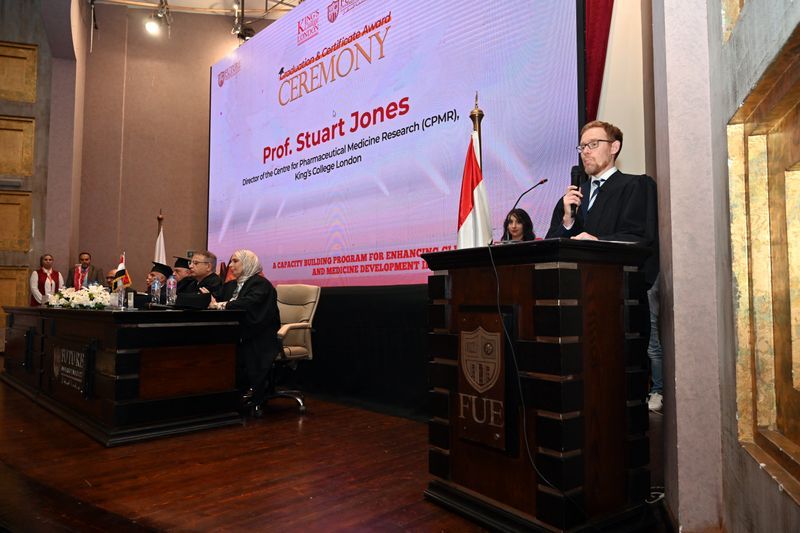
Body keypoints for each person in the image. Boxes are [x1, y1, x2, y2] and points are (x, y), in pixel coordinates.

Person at [545, 120, 660, 407]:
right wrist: (568, 220)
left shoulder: (636, 186)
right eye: (582, 146)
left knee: (616, 394)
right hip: (572, 305)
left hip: (617, 303)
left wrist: (597, 241)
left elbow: (641, 239)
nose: (586, 152)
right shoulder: (571, 200)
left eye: (593, 144)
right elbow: (551, 248)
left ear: (614, 147)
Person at [209, 250, 281, 417]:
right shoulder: (231, 285)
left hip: (258, 335)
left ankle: (252, 394)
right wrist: (208, 299)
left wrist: (221, 305)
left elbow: (247, 304)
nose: (230, 265)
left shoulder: (260, 284)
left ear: (248, 263)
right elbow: (216, 299)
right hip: (237, 333)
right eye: (230, 261)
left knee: (244, 352)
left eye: (235, 261)